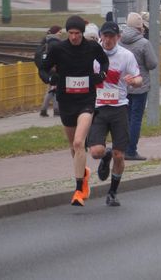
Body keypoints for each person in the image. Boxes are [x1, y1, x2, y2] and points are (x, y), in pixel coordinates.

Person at [40, 15, 109, 206]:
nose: (73, 37)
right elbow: (43, 68)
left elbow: (104, 62)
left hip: (86, 100)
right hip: (66, 101)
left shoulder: (92, 47)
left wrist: (101, 74)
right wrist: (49, 79)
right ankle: (83, 174)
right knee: (73, 147)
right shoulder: (58, 49)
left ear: (82, 33)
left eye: (77, 33)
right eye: (70, 33)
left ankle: (78, 190)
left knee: (79, 142)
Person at [89, 21, 142, 207]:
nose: (108, 40)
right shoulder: (93, 55)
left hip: (119, 107)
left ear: (118, 37)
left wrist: (133, 81)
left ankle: (112, 192)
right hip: (99, 107)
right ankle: (105, 155)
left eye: (112, 36)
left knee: (120, 155)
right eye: (105, 36)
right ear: (100, 36)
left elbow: (139, 78)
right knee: (95, 152)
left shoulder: (126, 56)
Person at [119, 12, 158, 160]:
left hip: (123, 85)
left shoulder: (120, 40)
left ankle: (121, 148)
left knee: (125, 118)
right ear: (139, 27)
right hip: (140, 86)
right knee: (136, 119)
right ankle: (131, 150)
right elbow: (152, 63)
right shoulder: (143, 43)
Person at [37, 25, 62, 117]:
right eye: (60, 32)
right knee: (53, 89)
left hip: (49, 70)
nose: (61, 34)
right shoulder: (54, 43)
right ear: (55, 33)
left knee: (53, 89)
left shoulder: (47, 41)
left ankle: (53, 109)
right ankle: (47, 110)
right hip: (54, 69)